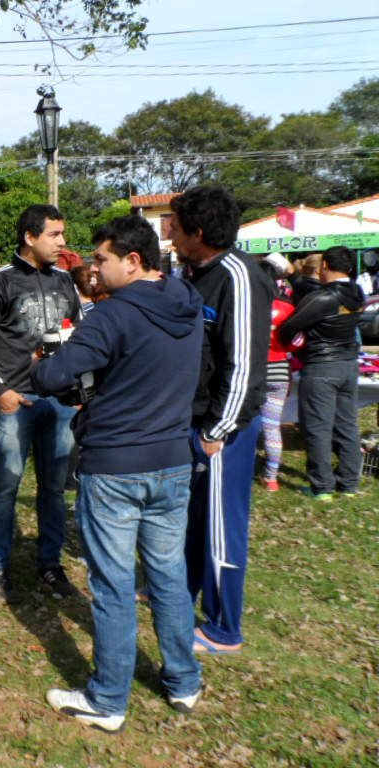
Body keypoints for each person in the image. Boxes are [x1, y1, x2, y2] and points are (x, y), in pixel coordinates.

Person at [33, 214, 204, 732]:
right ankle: (183, 681)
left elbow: (54, 375)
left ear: (133, 261)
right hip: (173, 461)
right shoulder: (190, 306)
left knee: (112, 584)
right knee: (169, 575)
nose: (95, 268)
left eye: (102, 259)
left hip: (116, 467)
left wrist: (44, 362)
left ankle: (107, 700)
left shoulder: (112, 315)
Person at [169, 186, 272, 656]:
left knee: (220, 526)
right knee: (189, 518)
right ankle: (179, 593)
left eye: (176, 225)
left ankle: (224, 627)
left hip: (221, 428)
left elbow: (245, 365)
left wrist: (219, 430)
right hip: (191, 421)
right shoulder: (193, 273)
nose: (169, 232)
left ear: (200, 232)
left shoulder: (238, 276)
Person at [0, 203, 82, 603]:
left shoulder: (66, 282)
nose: (62, 242)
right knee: (6, 484)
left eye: (62, 234)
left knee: (54, 489)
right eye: (54, 234)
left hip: (61, 404)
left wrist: (80, 392)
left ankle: (49, 565)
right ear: (30, 237)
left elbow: (81, 338)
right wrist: (1, 390)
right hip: (17, 401)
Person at [278, 246, 365, 498]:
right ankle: (349, 483)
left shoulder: (323, 298)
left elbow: (289, 327)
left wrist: (299, 346)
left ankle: (322, 486)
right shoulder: (357, 292)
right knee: (347, 425)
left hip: (321, 365)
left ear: (325, 265)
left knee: (318, 427)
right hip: (348, 364)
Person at [258, 261, 298, 492]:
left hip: (253, 372)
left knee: (242, 423)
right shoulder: (287, 308)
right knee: (272, 426)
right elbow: (295, 343)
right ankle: (271, 477)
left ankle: (239, 466)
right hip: (279, 370)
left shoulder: (249, 306)